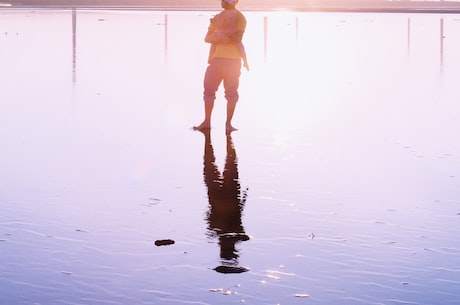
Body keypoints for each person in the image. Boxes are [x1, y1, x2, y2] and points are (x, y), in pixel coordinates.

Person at [199, 129, 250, 273]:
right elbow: (210, 216)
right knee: (224, 164)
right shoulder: (233, 234)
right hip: (225, 197)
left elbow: (210, 216)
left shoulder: (236, 234)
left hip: (223, 198)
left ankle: (217, 138)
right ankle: (226, 137)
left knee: (223, 164)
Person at [193, 0, 248, 134]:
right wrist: (222, 36)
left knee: (231, 93)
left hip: (233, 62)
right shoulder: (217, 18)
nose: (222, 1)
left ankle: (228, 123)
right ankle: (207, 122)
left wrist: (220, 36)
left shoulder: (240, 17)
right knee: (209, 91)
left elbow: (238, 38)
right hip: (217, 60)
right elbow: (207, 38)